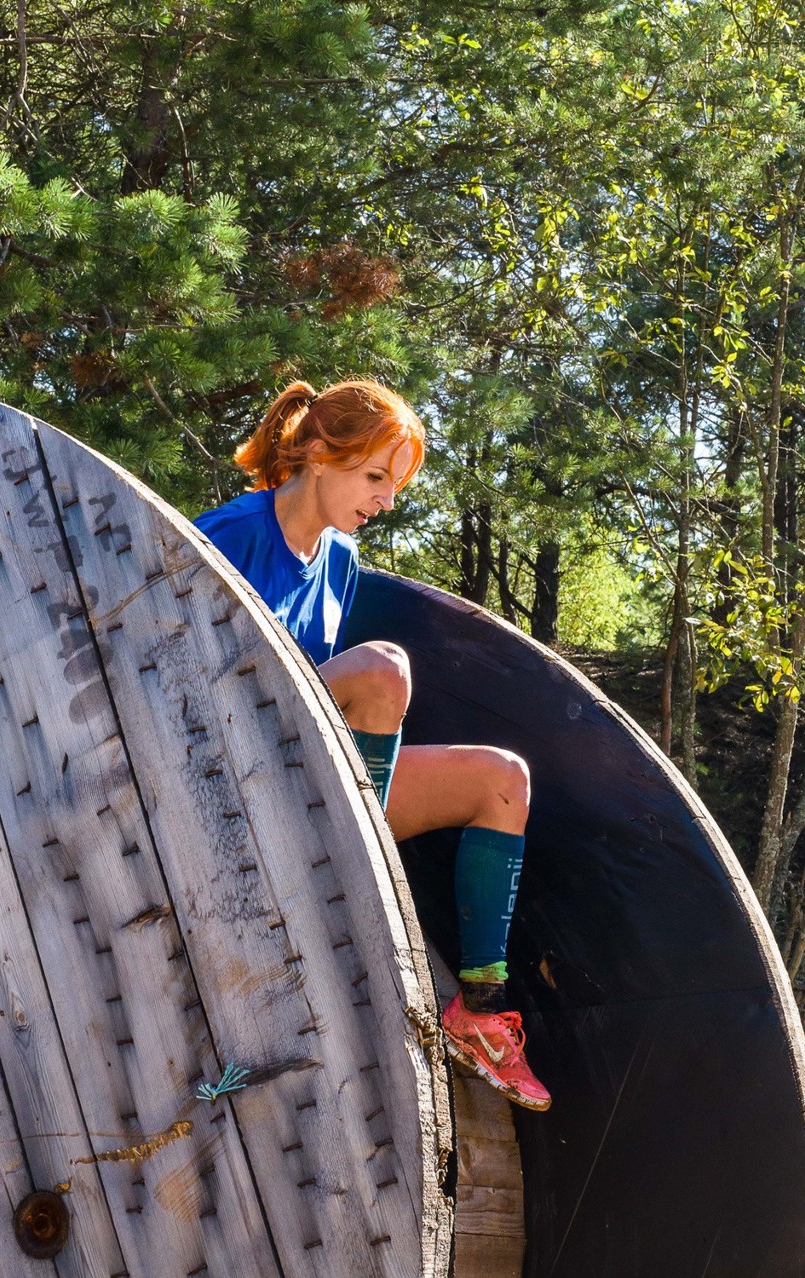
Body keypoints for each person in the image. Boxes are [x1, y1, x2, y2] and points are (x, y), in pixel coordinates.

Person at [195, 378, 551, 1111]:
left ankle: (478, 1013)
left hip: (309, 780)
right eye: (376, 477)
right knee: (382, 668)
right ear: (320, 456)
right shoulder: (230, 534)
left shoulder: (340, 564)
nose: (387, 500)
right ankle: (360, 872)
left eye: (396, 484)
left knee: (503, 778)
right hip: (224, 782)